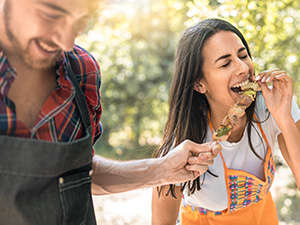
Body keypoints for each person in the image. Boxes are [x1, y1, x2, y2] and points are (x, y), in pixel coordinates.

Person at [0, 1, 222, 225]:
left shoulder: (81, 71)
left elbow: (81, 173)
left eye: (79, 22)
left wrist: (163, 169)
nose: (66, 42)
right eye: (52, 16)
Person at [152, 18, 300, 225]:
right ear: (198, 84)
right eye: (225, 63)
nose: (243, 68)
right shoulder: (183, 144)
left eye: (243, 55)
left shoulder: (272, 106)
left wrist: (284, 119)